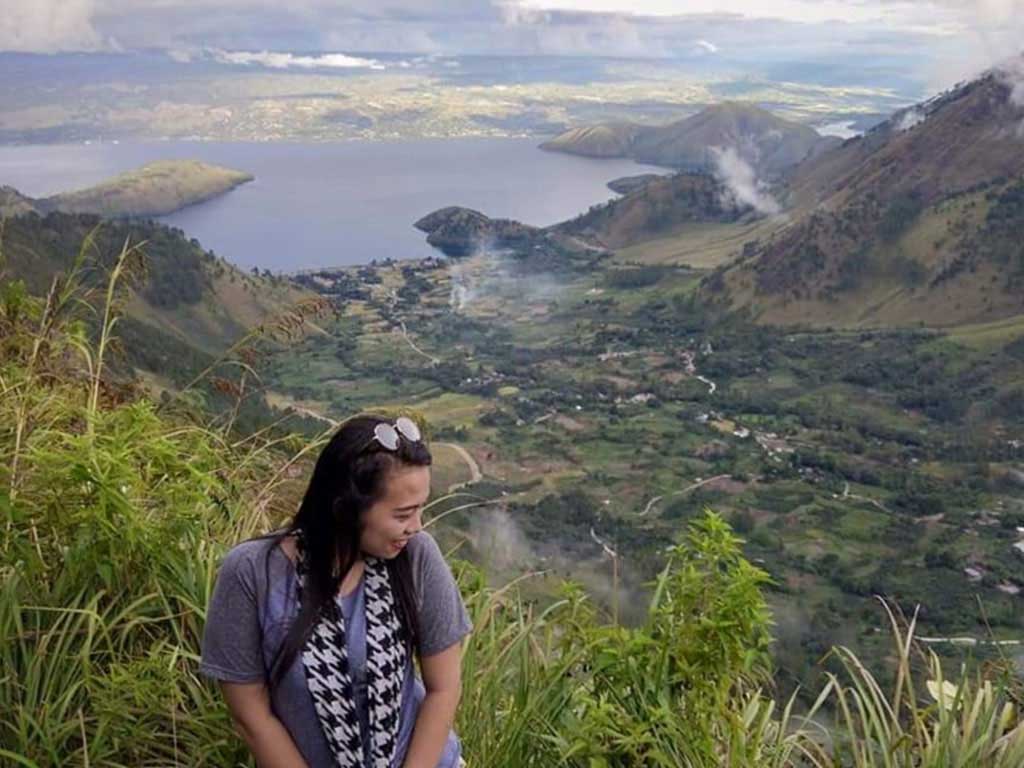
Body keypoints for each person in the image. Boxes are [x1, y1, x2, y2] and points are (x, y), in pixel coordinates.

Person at [200, 414, 473, 768]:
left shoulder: (416, 556)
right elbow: (251, 717)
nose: (416, 527)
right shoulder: (252, 573)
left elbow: (444, 688)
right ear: (347, 509)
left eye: (420, 509)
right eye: (403, 514)